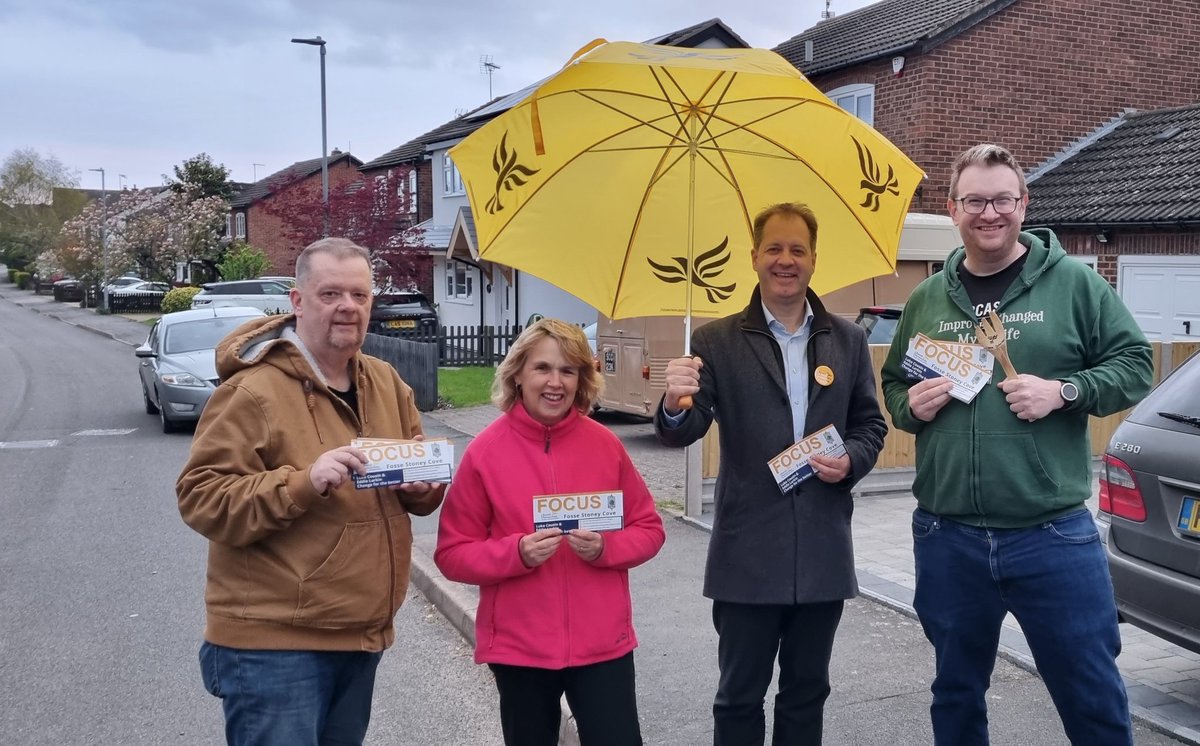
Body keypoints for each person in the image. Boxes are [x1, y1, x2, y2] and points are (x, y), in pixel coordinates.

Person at [880, 144, 1153, 745]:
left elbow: (1136, 365)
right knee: (955, 694)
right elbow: (897, 382)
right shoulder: (927, 299)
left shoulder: (1075, 285)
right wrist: (910, 405)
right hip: (948, 537)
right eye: (975, 200)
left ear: (1024, 204)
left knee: (1092, 698)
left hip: (1051, 535)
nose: (990, 213)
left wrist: (1066, 390)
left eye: (1003, 199)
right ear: (953, 209)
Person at [177, 237, 446, 746]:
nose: (348, 306)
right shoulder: (251, 391)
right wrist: (302, 483)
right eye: (330, 294)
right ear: (297, 301)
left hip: (359, 633)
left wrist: (423, 488)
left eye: (360, 295)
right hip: (273, 646)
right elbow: (201, 497)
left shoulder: (386, 382)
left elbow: (411, 488)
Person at [655, 202, 888, 745]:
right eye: (775, 249)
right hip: (747, 551)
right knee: (739, 697)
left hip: (823, 549)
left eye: (798, 250)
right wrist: (673, 401)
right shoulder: (715, 342)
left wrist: (851, 458)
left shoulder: (848, 340)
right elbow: (681, 432)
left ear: (813, 259)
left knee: (807, 693)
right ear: (755, 256)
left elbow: (870, 426)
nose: (787, 260)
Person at [435, 319, 665, 746]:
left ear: (582, 379)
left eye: (568, 370)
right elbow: (452, 554)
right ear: (517, 374)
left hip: (603, 646)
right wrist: (515, 553)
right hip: (520, 648)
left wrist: (605, 548)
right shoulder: (485, 452)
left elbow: (649, 528)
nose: (555, 382)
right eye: (542, 368)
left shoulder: (606, 445)